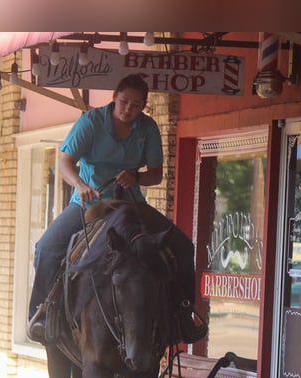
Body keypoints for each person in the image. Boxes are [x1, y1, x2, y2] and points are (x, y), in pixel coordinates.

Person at [27, 73, 207, 345]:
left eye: (136, 105)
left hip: (130, 203)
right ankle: (40, 314)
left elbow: (156, 175)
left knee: (183, 246)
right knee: (47, 248)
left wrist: (136, 177)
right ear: (114, 97)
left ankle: (183, 316)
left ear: (144, 106)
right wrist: (80, 184)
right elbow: (65, 163)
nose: (128, 109)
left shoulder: (147, 128)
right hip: (89, 203)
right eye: (124, 102)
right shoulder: (91, 122)